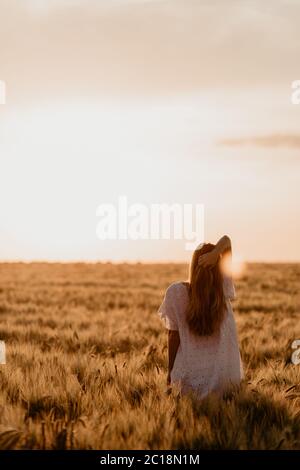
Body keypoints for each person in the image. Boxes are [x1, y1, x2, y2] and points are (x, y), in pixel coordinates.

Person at [158, 235, 243, 399]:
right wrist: (215, 254)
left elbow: (173, 336)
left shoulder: (176, 292)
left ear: (192, 265)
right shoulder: (222, 289)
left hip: (189, 381)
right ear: (220, 267)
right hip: (225, 380)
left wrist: (171, 372)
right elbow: (227, 240)